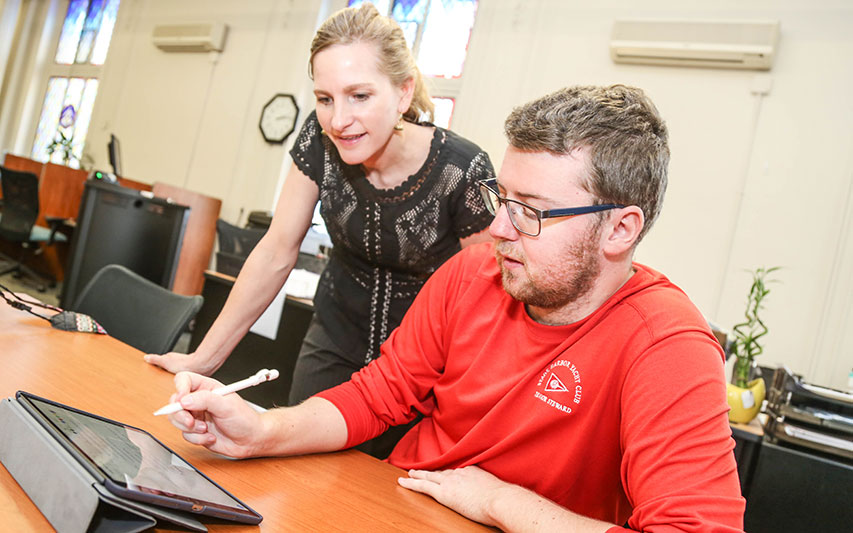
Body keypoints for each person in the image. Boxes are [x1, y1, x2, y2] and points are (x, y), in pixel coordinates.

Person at [163, 85, 746, 532]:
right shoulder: (474, 272)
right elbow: (376, 396)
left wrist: (497, 499)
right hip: (393, 507)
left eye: (532, 211)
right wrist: (262, 431)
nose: (498, 227)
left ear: (620, 228)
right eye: (503, 198)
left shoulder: (668, 346)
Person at [144, 3, 495, 457]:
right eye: (325, 98)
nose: (338, 120)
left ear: (403, 93)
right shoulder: (321, 140)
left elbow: (485, 300)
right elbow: (276, 250)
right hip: (333, 341)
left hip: (424, 373)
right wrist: (202, 359)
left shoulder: (463, 169)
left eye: (359, 96)